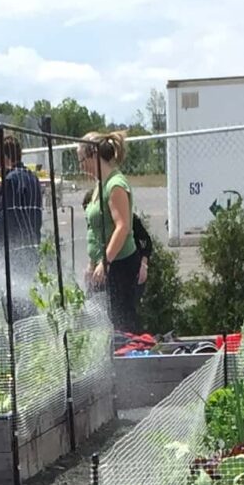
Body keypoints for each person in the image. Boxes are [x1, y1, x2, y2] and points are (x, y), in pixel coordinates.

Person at [80, 130, 143, 333]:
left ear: (93, 155)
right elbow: (97, 230)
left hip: (120, 265)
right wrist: (92, 263)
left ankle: (129, 361)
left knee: (121, 321)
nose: (81, 166)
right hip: (105, 265)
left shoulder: (115, 185)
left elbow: (122, 226)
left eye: (81, 159)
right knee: (99, 318)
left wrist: (105, 262)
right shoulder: (100, 185)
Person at [0, 130, 45, 277]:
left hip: (13, 256)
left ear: (5, 158)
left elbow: (5, 220)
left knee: (13, 297)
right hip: (31, 249)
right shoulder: (33, 178)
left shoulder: (9, 181)